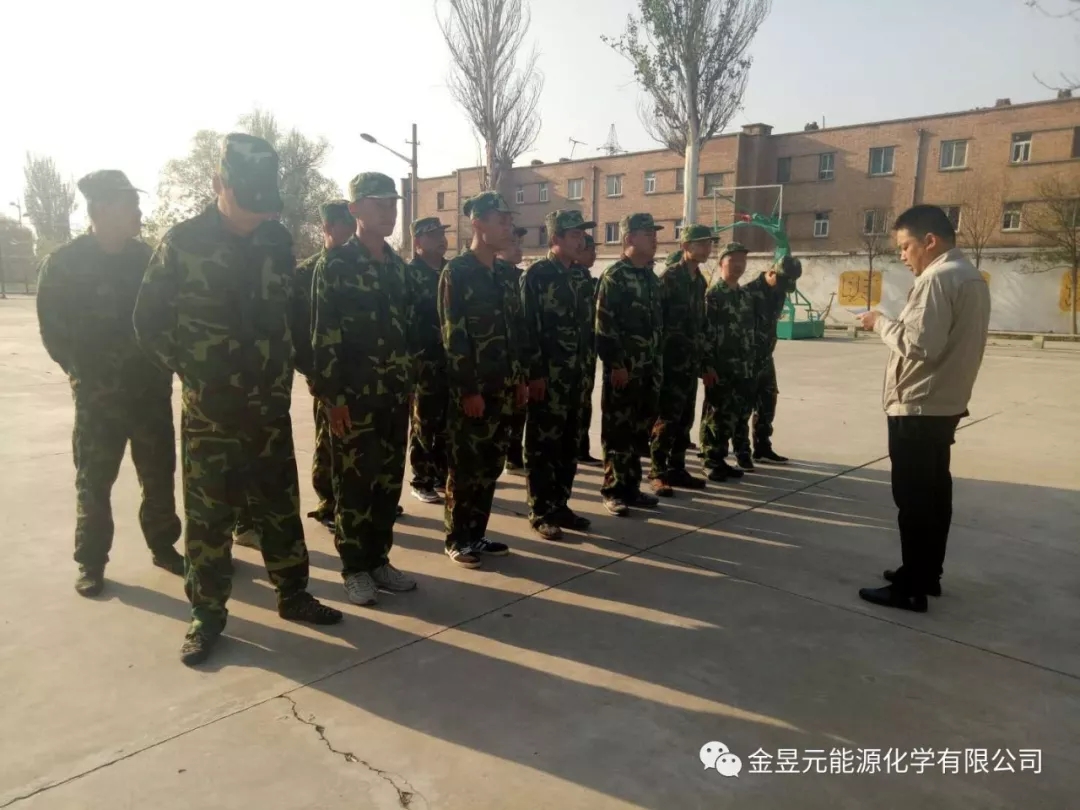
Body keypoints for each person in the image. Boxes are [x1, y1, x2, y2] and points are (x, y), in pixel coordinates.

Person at [134, 134, 342, 665]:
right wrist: (193, 371)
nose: (257, 215)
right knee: (209, 520)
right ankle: (206, 615)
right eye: (248, 202)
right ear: (218, 185)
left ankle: (293, 595)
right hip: (212, 415)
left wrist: (312, 372)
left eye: (263, 204)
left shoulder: (276, 240)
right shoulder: (182, 242)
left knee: (279, 508)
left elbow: (293, 316)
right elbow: (149, 322)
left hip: (269, 409)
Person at [36, 170, 184, 597]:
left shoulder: (147, 260)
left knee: (159, 475)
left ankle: (163, 546)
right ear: (101, 208)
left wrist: (163, 365)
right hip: (98, 399)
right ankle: (92, 560)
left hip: (149, 393)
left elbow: (166, 317)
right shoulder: (64, 264)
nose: (138, 212)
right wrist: (83, 372)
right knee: (94, 481)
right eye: (129, 204)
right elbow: (53, 332)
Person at [855, 204, 990, 612]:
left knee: (913, 498)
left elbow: (919, 345)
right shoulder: (970, 277)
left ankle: (911, 589)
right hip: (944, 403)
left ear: (929, 241)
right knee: (934, 493)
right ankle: (925, 573)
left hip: (918, 406)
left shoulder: (937, 279)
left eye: (905, 246)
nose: (902, 255)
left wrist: (879, 322)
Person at [311, 172, 420, 607]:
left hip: (393, 397)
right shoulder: (335, 265)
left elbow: (409, 332)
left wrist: (409, 385)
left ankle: (378, 560)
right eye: (379, 203)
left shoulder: (398, 268)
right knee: (354, 484)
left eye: (393, 203)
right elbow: (324, 336)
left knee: (387, 484)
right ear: (354, 209)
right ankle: (354, 568)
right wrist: (333, 398)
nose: (389, 211)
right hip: (354, 401)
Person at [233, 199, 356, 548]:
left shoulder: (355, 269)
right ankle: (325, 502)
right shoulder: (304, 274)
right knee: (321, 441)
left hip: (338, 373)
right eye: (343, 224)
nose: (350, 231)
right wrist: (316, 373)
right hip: (300, 372)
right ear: (328, 227)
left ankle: (347, 502)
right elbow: (299, 329)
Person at [439, 192, 530, 567]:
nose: (508, 227)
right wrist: (468, 390)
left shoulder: (506, 275)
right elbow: (453, 336)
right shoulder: (457, 272)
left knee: (491, 464)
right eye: (501, 220)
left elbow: (515, 332)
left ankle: (477, 533)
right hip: (474, 391)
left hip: (504, 388)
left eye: (510, 221)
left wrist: (519, 379)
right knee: (466, 466)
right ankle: (457, 537)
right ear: (477, 223)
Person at [521, 209, 596, 540]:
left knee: (569, 444)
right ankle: (540, 511)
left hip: (577, 377)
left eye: (582, 234)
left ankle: (560, 504)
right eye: (574, 235)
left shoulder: (580, 276)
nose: (581, 240)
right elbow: (527, 328)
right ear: (555, 239)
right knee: (543, 445)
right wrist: (534, 374)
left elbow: (588, 329)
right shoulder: (536, 275)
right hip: (548, 378)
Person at [595, 213, 664, 516]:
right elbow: (604, 326)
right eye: (648, 233)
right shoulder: (615, 277)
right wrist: (616, 364)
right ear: (629, 238)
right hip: (624, 371)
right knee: (617, 431)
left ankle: (632, 487)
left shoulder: (650, 278)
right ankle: (613, 490)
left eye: (654, 233)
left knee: (639, 432)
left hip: (649, 370)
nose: (654, 238)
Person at [649, 224, 718, 496]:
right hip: (669, 362)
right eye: (701, 243)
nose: (707, 248)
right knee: (667, 418)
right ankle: (657, 471)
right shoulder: (669, 278)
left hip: (690, 363)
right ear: (686, 247)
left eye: (709, 244)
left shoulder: (699, 281)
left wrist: (704, 361)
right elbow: (656, 321)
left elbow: (701, 325)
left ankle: (677, 468)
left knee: (684, 418)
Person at [737, 254, 803, 469]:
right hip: (747, 359)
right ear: (771, 272)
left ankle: (763, 448)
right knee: (743, 408)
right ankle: (742, 452)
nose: (783, 289)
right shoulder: (748, 293)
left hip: (766, 358)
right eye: (782, 282)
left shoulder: (779, 293)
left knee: (768, 403)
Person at [699, 243, 755, 482]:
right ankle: (709, 460)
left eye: (743, 260)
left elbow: (749, 332)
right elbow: (705, 333)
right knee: (715, 415)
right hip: (720, 367)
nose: (739, 265)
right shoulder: (713, 295)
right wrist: (707, 365)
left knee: (733, 415)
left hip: (742, 367)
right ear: (722, 263)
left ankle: (720, 459)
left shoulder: (744, 296)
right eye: (733, 260)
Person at [407, 216, 452, 505]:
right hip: (423, 362)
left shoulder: (451, 270)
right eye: (433, 235)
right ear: (418, 242)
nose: (441, 239)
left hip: (450, 361)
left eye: (441, 234)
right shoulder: (409, 274)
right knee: (423, 423)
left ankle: (440, 473)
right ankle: (420, 479)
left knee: (447, 423)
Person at [498, 225, 529, 475]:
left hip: (519, 357)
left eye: (520, 243)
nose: (518, 248)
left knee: (519, 410)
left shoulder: (521, 277)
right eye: (512, 243)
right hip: (498, 361)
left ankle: (514, 457)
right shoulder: (492, 276)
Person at [574, 234, 601, 466]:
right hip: (569, 359)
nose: (593, 254)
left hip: (587, 355)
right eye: (589, 250)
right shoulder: (571, 278)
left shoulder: (587, 279)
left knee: (584, 404)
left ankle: (581, 449)